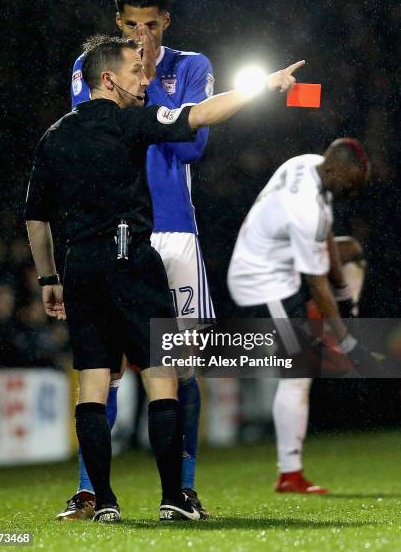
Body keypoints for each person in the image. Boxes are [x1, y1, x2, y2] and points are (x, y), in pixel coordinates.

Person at [25, 34, 304, 521]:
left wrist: (49, 276)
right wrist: (265, 85)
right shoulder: (132, 121)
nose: (145, 79)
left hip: (79, 267)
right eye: (136, 71)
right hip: (131, 259)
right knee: (162, 379)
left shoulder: (53, 136)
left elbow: (35, 217)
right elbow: (202, 115)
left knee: (93, 382)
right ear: (109, 79)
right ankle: (175, 498)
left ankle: (104, 502)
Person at [62, 0, 215, 520]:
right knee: (104, 369)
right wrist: (143, 79)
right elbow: (94, 130)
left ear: (166, 22)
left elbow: (194, 145)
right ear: (117, 23)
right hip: (109, 232)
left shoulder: (192, 66)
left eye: (151, 25)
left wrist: (152, 81)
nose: (142, 34)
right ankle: (91, 492)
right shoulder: (92, 67)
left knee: (179, 367)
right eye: (131, 25)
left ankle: (184, 488)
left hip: (172, 230)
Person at [227, 138, 370, 494]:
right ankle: (289, 474)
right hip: (263, 280)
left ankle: (338, 325)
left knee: (351, 250)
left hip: (281, 264)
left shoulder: (309, 164)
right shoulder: (306, 207)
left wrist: (344, 302)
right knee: (299, 373)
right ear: (335, 170)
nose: (352, 192)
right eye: (350, 184)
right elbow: (317, 282)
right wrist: (348, 339)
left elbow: (328, 252)